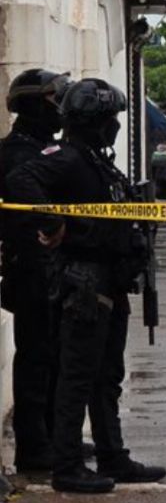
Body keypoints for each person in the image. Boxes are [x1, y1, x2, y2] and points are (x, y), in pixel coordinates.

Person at [7, 78, 166, 493]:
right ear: (95, 120)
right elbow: (21, 181)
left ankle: (113, 455)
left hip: (111, 279)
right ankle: (67, 466)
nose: (116, 124)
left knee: (107, 376)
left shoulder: (96, 160)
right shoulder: (68, 157)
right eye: (111, 117)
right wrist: (52, 222)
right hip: (84, 281)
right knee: (76, 377)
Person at [0, 69, 71, 472]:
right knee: (37, 358)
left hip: (53, 268)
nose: (57, 109)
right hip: (30, 267)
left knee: (59, 357)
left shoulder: (47, 149)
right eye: (51, 101)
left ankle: (55, 438)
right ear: (31, 105)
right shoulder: (17, 154)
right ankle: (34, 446)